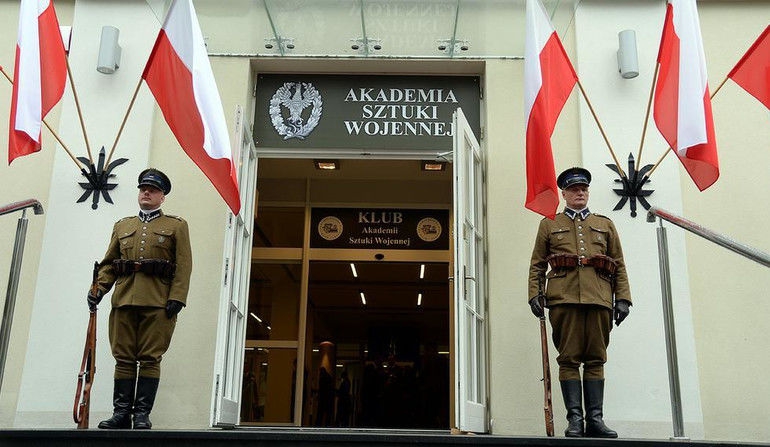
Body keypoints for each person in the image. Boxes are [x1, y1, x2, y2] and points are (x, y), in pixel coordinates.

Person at [527, 167, 631, 438]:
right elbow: (537, 263)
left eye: (583, 189)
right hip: (564, 298)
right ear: (564, 194)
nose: (580, 193)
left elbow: (618, 264)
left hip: (598, 298)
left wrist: (623, 299)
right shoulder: (549, 224)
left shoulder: (605, 224)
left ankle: (595, 420)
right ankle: (575, 421)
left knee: (596, 359)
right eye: (574, 190)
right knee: (569, 359)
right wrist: (534, 294)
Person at [87, 168, 192, 429]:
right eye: (143, 188)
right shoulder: (123, 226)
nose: (146, 192)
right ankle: (121, 413)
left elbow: (184, 264)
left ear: (162, 197)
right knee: (123, 358)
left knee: (150, 358)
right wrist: (98, 289)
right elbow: (111, 263)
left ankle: (142, 414)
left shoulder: (176, 226)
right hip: (123, 301)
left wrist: (177, 297)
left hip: (158, 303)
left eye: (153, 189)